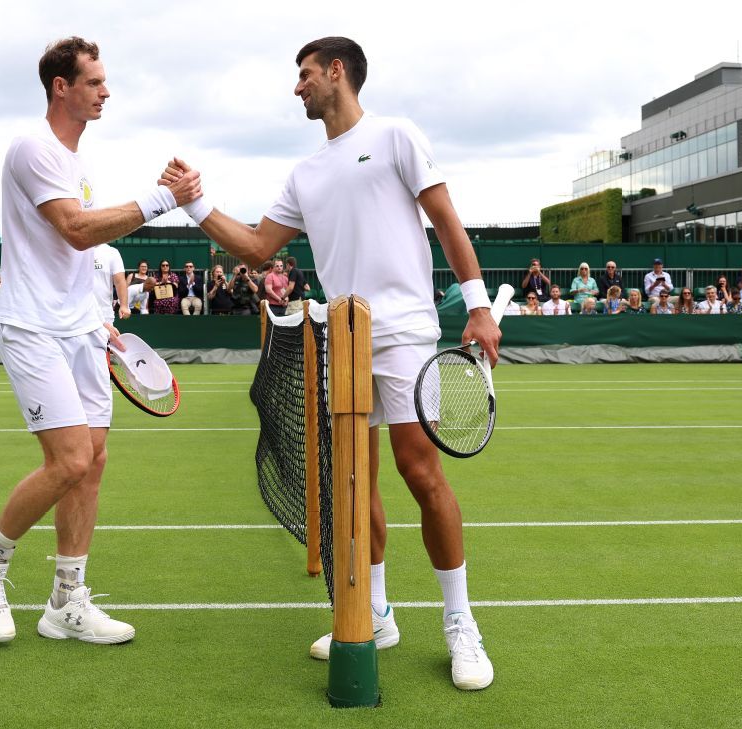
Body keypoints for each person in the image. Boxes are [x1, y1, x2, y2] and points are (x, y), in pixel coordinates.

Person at [159, 37, 499, 690]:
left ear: (336, 72)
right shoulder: (304, 174)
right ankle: (375, 610)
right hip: (342, 339)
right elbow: (258, 248)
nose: (298, 87)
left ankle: (461, 623)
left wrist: (479, 306)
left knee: (419, 470)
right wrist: (195, 204)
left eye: (305, 75)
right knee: (354, 480)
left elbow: (448, 221)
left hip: (401, 332)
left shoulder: (397, 136)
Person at [0, 35, 202, 650]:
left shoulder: (76, 161)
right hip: (32, 328)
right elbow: (76, 230)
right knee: (67, 461)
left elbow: (74, 257)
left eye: (103, 81)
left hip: (81, 329)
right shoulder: (32, 148)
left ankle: (66, 600)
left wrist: (99, 320)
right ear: (61, 87)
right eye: (94, 82)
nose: (105, 91)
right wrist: (163, 198)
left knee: (91, 465)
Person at [94, 243, 130, 322]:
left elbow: (120, 281)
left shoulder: (112, 252)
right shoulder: (75, 249)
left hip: (104, 313)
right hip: (78, 314)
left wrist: (124, 305)